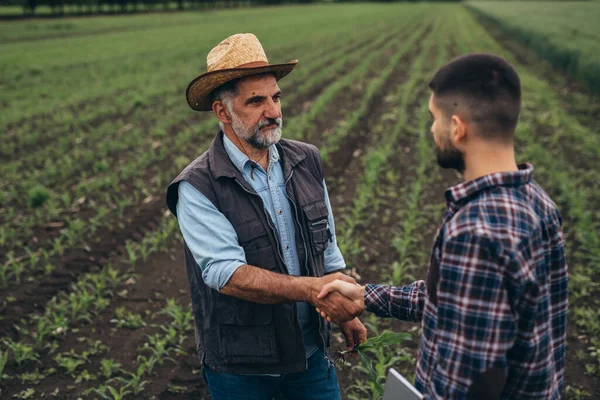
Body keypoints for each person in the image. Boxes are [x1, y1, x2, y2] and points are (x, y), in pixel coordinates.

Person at [317, 54, 568, 400]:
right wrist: (366, 296)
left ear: (458, 126)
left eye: (435, 119)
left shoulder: (476, 231)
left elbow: (467, 384)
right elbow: (459, 302)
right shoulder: (537, 201)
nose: (432, 130)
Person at [165, 33, 367, 400]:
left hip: (311, 358)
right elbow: (228, 275)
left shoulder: (306, 160)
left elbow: (327, 249)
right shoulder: (197, 186)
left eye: (275, 97)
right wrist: (315, 291)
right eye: (256, 101)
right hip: (242, 370)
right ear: (222, 112)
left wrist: (346, 314)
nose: (273, 111)